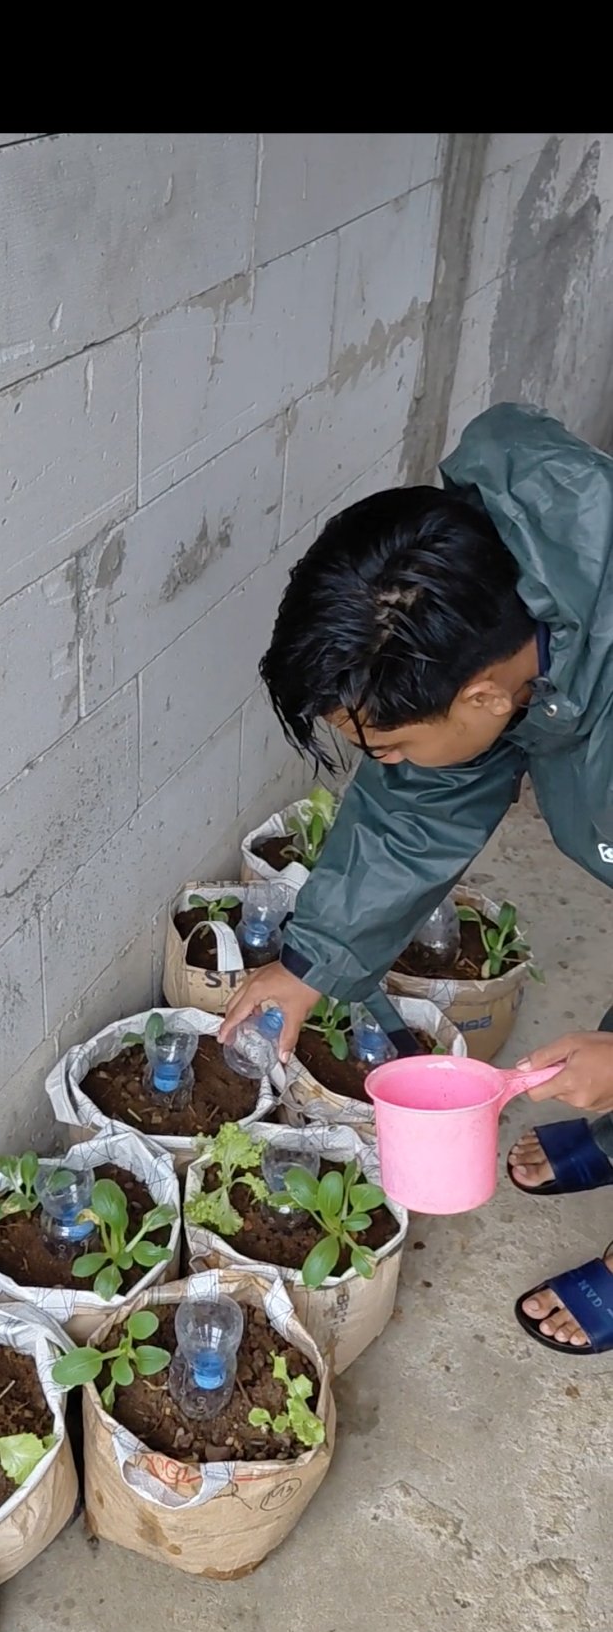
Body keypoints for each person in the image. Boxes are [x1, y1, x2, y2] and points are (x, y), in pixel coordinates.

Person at [218, 402, 613, 1357]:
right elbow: (420, 807)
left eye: (390, 747)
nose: (385, 766)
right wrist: (310, 962)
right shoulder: (499, 601)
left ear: (483, 696)